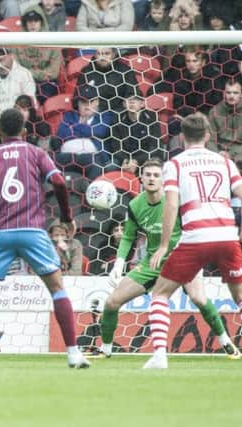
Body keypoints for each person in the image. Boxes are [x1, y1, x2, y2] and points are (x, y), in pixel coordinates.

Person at [0, 108, 90, 370]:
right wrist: (66, 217)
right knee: (57, 288)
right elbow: (60, 184)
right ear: (25, 131)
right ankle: (74, 354)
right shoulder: (36, 153)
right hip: (32, 231)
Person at [89, 159, 240, 359]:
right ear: (141, 178)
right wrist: (118, 263)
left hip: (185, 258)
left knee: (198, 298)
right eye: (148, 175)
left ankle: (225, 342)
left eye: (156, 175)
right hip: (152, 262)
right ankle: (105, 349)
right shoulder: (135, 204)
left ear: (163, 179)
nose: (152, 179)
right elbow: (128, 236)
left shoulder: (176, 201)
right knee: (112, 302)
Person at [144, 113, 242, 369]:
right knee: (240, 298)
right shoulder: (225, 162)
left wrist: (165, 244)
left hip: (195, 238)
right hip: (227, 235)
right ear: (208, 136)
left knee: (160, 293)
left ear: (182, 137)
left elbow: (172, 204)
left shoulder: (174, 164)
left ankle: (159, 357)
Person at [0, 48, 37, 120]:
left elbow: (29, 102)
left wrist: (14, 118)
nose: (3, 67)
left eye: (4, 55)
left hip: (18, 119)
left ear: (12, 56)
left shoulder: (24, 74)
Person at [207, 78, 242, 164]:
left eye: (235, 93)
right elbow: (210, 139)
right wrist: (217, 153)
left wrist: (234, 155)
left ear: (241, 94)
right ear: (224, 94)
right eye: (228, 92)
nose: (231, 96)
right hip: (221, 153)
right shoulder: (214, 112)